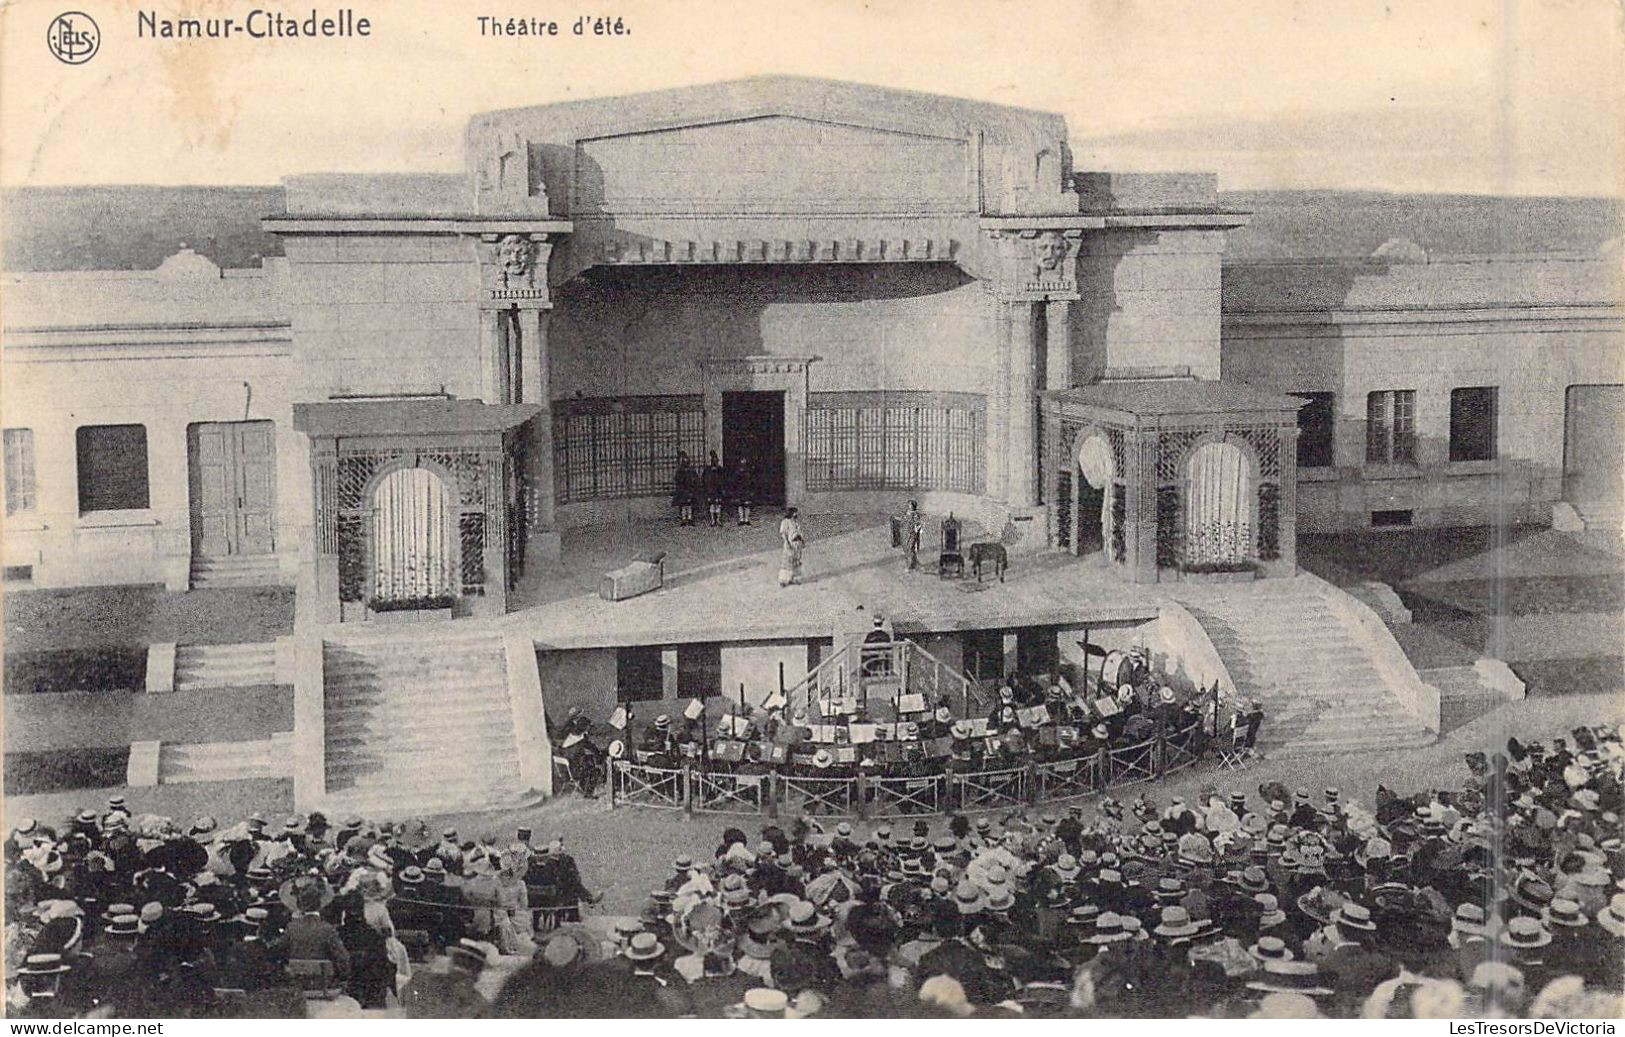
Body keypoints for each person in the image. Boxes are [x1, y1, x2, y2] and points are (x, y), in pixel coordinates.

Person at [778, 508, 805, 587]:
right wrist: (787, 543)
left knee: (797, 560)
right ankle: (784, 580)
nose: (796, 514)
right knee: (787, 561)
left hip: (797, 544)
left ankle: (795, 578)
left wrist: (802, 541)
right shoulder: (785, 522)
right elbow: (783, 534)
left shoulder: (795, 522)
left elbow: (799, 532)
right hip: (790, 543)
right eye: (795, 513)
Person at [673, 451, 698, 527]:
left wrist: (693, 483)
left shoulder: (691, 471)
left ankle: (690, 518)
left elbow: (695, 478)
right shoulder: (680, 471)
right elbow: (676, 479)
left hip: (690, 489)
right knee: (683, 505)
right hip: (682, 489)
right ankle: (684, 519)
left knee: (689, 505)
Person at [703, 451, 727, 528]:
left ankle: (718, 520)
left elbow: (723, 479)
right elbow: (705, 479)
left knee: (718, 505)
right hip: (711, 489)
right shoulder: (707, 470)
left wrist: (723, 488)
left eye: (716, 461)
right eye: (713, 461)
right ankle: (713, 520)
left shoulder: (720, 470)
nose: (715, 462)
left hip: (718, 489)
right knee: (712, 505)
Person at [730, 455, 755, 526]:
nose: (743, 462)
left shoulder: (749, 471)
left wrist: (751, 490)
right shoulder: (737, 472)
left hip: (747, 489)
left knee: (747, 505)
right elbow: (734, 481)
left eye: (744, 461)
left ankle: (746, 519)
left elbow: (752, 481)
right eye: (742, 461)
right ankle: (741, 519)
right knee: (740, 505)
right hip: (740, 490)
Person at [902, 499, 923, 571]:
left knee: (910, 549)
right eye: (908, 505)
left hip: (912, 534)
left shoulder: (915, 515)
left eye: (910, 505)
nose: (908, 506)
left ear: (913, 506)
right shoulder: (907, 513)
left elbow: (918, 525)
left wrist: (916, 530)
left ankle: (910, 566)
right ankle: (914, 563)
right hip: (906, 533)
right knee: (907, 548)